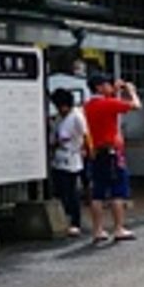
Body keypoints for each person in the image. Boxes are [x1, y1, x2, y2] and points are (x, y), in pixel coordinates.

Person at [83, 72, 140, 245]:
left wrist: (114, 91)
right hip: (112, 152)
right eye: (107, 84)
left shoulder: (87, 106)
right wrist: (131, 91)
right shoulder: (108, 104)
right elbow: (136, 106)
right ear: (100, 87)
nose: (110, 87)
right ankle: (118, 228)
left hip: (96, 152)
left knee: (98, 193)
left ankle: (97, 230)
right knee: (117, 190)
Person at [49, 88, 89, 237]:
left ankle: (75, 222)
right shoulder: (59, 118)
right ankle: (64, 219)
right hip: (58, 157)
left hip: (72, 156)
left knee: (71, 191)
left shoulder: (77, 116)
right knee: (60, 190)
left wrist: (85, 151)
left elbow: (86, 136)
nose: (60, 109)